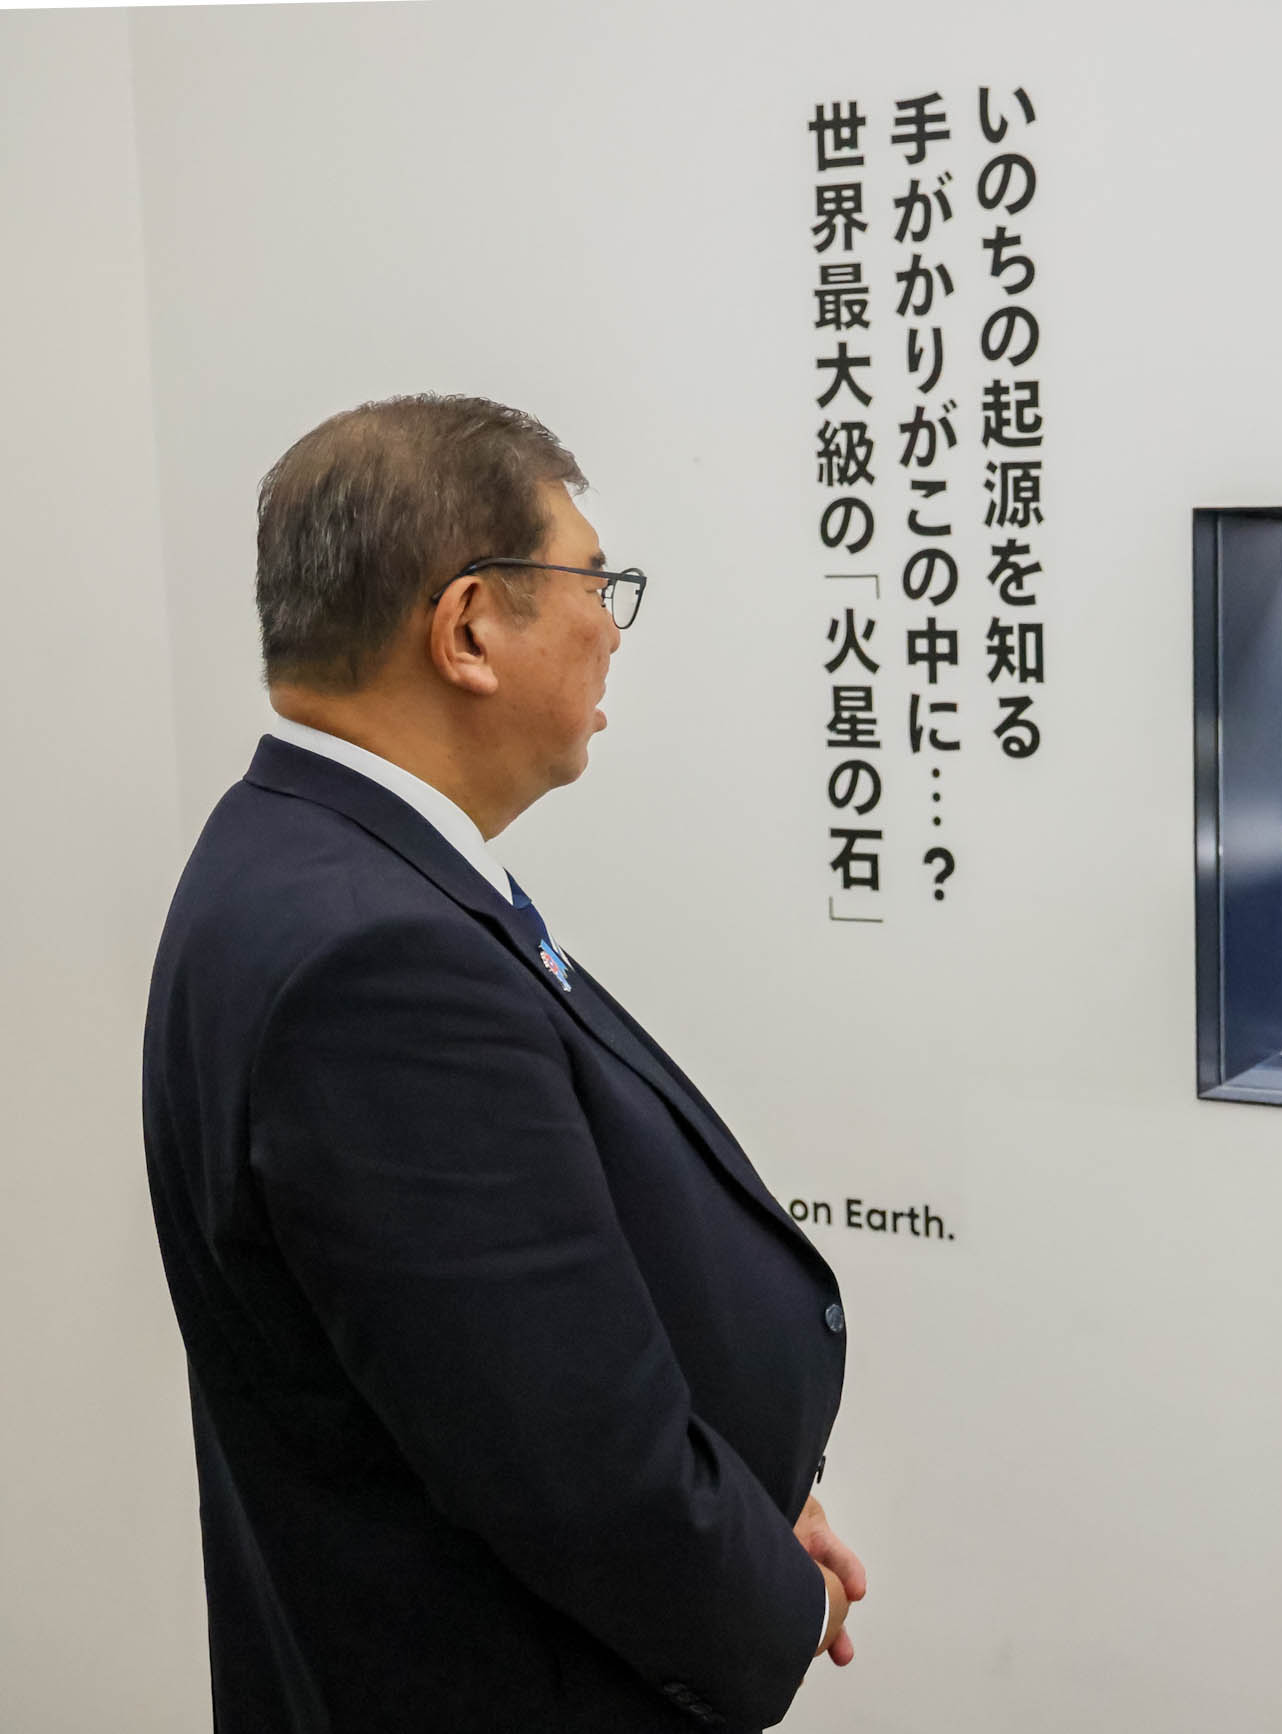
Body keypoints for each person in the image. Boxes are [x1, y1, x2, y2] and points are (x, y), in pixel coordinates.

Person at [142, 396, 864, 1733]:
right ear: (470, 626)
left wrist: (755, 1490)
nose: (610, 624)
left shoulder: (298, 856)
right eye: (593, 580)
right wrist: (774, 1594)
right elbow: (577, 1468)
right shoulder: (374, 960)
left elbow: (506, 1343)